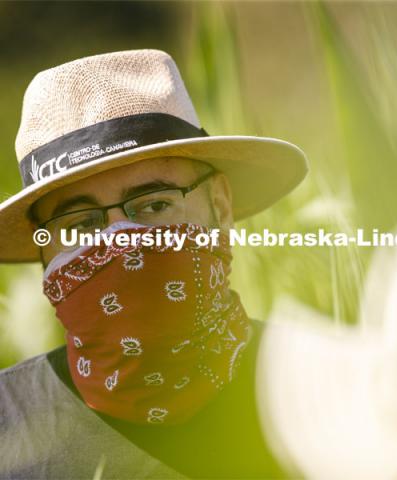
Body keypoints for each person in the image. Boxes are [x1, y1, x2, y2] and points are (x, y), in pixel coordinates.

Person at [0, 49, 308, 479]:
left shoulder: (328, 384)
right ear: (44, 251)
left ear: (219, 207)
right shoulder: (9, 428)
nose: (122, 242)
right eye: (81, 223)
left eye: (155, 204)